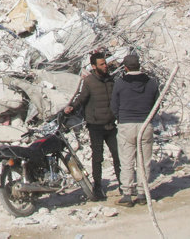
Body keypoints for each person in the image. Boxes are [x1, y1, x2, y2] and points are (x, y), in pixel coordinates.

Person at [65, 52, 121, 200]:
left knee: (117, 155)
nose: (105, 66)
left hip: (110, 124)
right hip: (96, 125)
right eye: (102, 64)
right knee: (98, 157)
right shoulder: (89, 82)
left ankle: (123, 184)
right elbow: (82, 98)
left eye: (105, 63)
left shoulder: (111, 80)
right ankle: (97, 187)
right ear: (94, 66)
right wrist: (71, 108)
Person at [111, 53, 160, 207]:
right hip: (145, 124)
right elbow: (156, 104)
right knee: (143, 162)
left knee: (126, 161)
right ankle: (142, 192)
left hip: (126, 124)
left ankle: (126, 193)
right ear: (140, 65)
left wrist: (121, 117)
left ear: (125, 67)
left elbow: (114, 105)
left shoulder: (120, 83)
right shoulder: (152, 83)